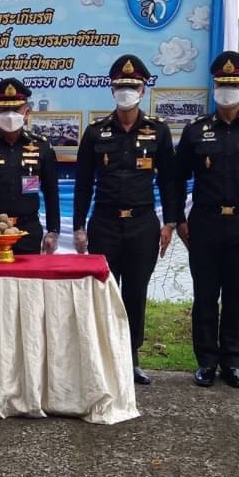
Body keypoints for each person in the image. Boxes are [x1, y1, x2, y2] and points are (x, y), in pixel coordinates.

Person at [172, 51, 239, 388]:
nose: (228, 90)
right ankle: (206, 362)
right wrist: (178, 220)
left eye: (234, 84)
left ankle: (231, 361)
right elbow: (176, 179)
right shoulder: (196, 130)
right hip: (204, 222)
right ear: (214, 87)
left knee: (236, 295)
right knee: (205, 295)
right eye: (222, 84)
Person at [73, 54, 177, 385]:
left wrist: (170, 223)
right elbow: (83, 183)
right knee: (104, 293)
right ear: (112, 90)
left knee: (135, 293)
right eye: (120, 86)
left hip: (143, 224)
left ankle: (130, 359)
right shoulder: (95, 132)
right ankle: (102, 361)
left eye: (132, 86)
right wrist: (78, 226)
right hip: (104, 223)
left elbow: (169, 181)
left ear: (142, 90)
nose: (126, 91)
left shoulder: (158, 131)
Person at [0, 78, 60, 255]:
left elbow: (51, 191)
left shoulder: (42, 147)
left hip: (28, 230)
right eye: (4, 110)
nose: (10, 115)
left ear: (26, 112)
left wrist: (53, 230)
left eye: (16, 109)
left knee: (30, 274)